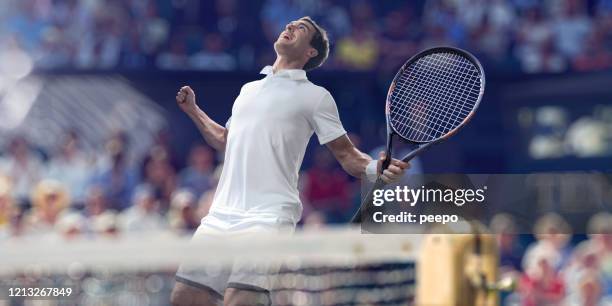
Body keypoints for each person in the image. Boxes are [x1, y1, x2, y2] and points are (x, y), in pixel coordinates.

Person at [170, 16, 409, 306]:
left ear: (310, 52)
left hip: (269, 216)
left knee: (241, 299)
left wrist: (376, 168)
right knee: (185, 297)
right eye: (290, 25)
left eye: (301, 29)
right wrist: (194, 111)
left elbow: (347, 155)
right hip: (221, 215)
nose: (290, 28)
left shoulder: (315, 97)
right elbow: (224, 139)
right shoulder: (248, 90)